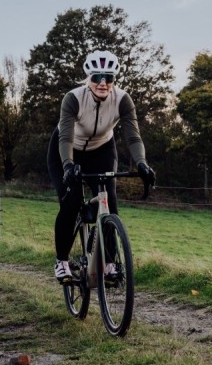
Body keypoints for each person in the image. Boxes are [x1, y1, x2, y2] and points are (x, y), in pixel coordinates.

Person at [47, 49, 156, 282]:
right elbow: (65, 138)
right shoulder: (73, 98)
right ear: (89, 78)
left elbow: (133, 137)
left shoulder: (123, 100)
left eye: (108, 77)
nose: (103, 83)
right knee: (71, 202)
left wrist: (142, 163)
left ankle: (109, 263)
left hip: (102, 149)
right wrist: (68, 165)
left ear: (114, 79)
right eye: (97, 77)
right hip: (66, 149)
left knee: (109, 200)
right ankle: (62, 261)